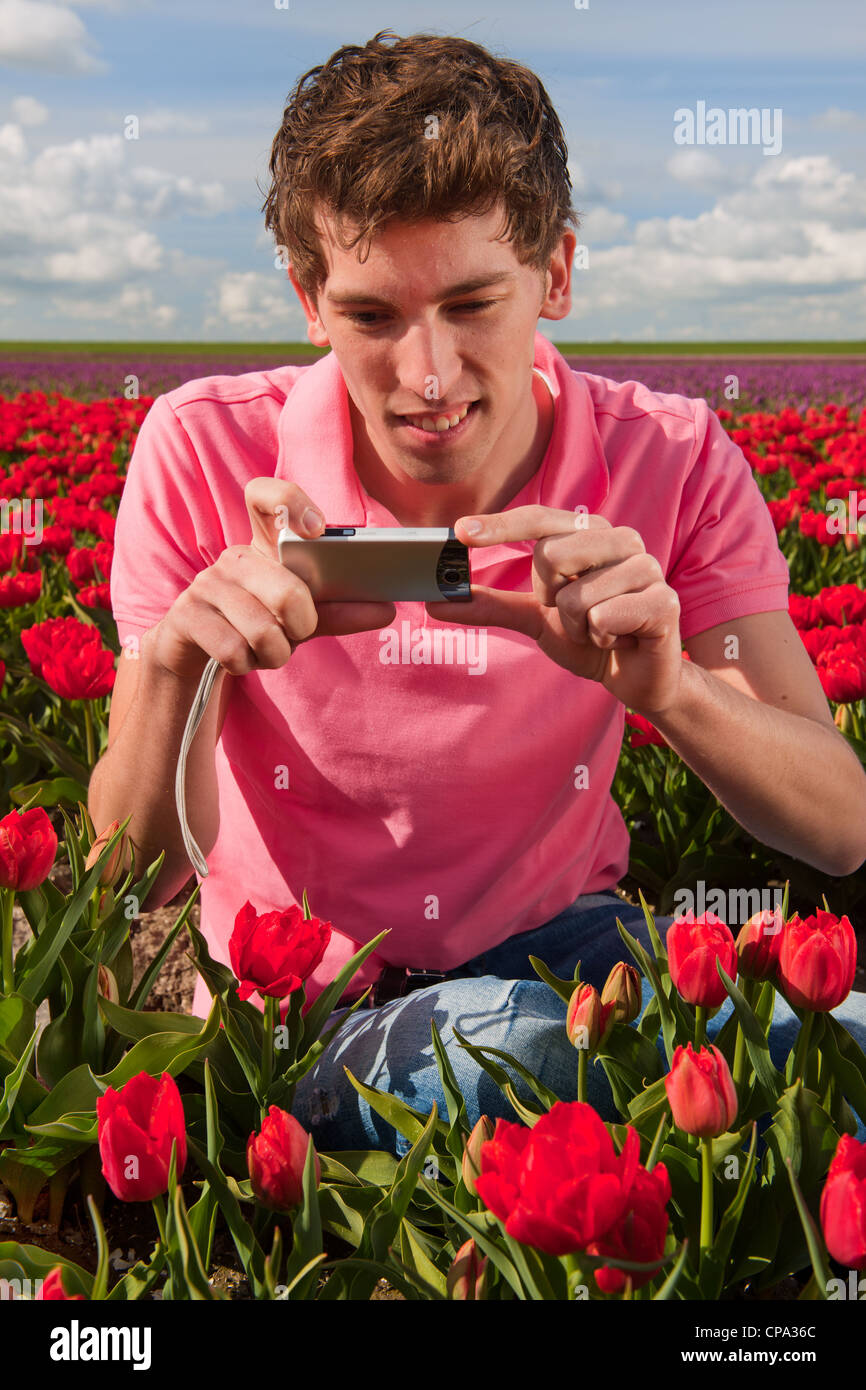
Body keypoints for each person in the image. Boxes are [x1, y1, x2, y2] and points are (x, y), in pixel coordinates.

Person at [89, 30, 866, 1155]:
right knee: (540, 1048)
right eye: (370, 317)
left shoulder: (672, 457)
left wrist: (673, 692)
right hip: (312, 989)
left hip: (572, 942)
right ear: (309, 299)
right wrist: (178, 671)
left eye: (469, 303)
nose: (429, 377)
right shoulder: (205, 449)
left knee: (804, 1036)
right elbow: (133, 885)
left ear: (554, 271)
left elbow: (838, 825)